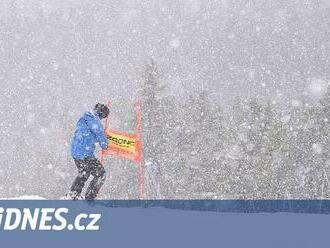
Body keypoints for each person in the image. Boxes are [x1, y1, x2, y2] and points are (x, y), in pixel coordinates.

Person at [65, 103, 110, 200]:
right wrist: (105, 143)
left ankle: (73, 194)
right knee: (101, 174)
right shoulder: (95, 120)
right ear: (102, 114)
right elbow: (101, 138)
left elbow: (88, 135)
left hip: (76, 152)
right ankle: (89, 198)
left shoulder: (84, 118)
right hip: (85, 154)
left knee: (85, 172)